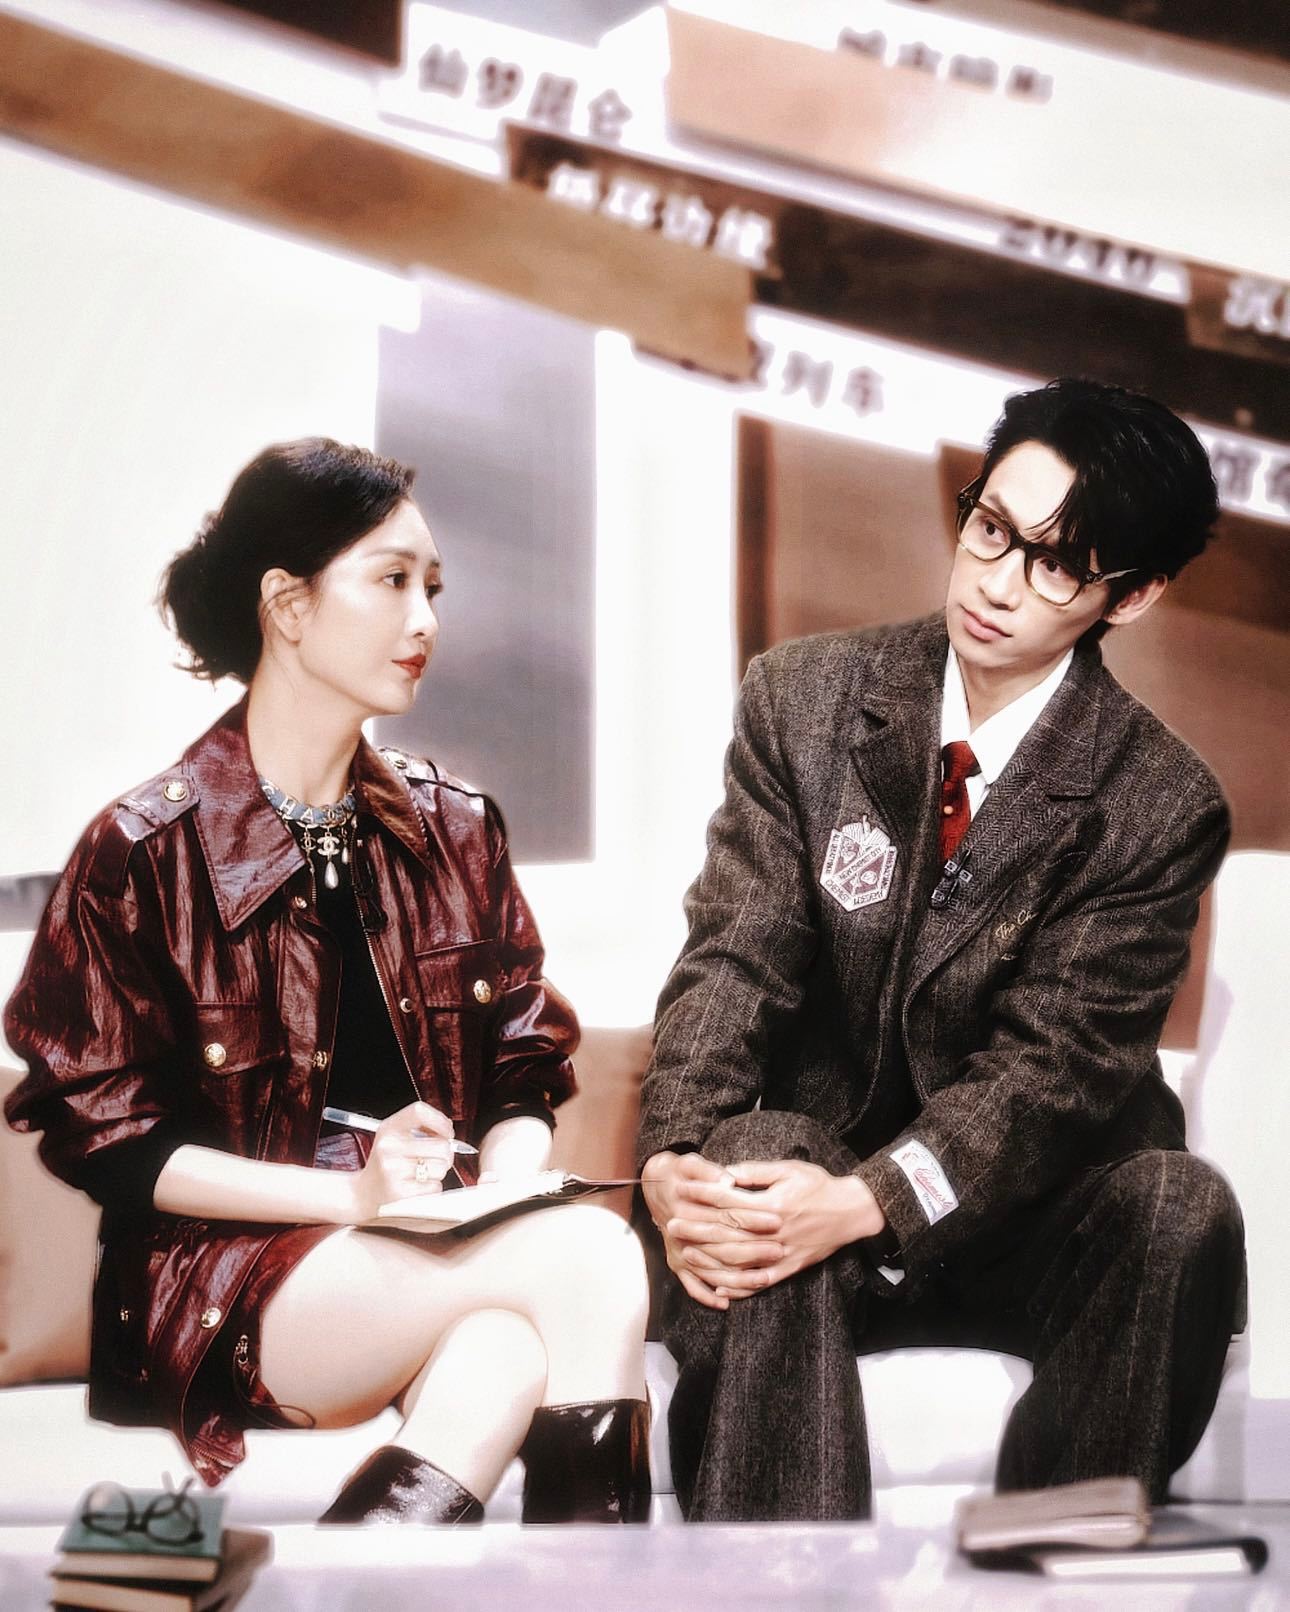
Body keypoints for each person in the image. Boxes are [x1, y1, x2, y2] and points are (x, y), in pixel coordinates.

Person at [5, 439, 650, 1525]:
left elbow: (521, 1071)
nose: (425, 619)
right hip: (214, 1283)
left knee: (501, 1352)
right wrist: (350, 1199)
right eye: (392, 580)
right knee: (589, 1254)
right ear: (288, 605)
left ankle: (358, 1586)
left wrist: (497, 1189)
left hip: (418, 1243)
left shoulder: (456, 829)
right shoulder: (144, 850)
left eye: (433, 587)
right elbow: (115, 1146)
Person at [637, 378, 1246, 1521]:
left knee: (1180, 1205)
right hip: (814, 1201)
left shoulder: (1161, 803)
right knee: (755, 1158)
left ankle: (1059, 1574)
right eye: (992, 529)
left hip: (1025, 1220)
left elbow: (1051, 1076)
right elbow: (734, 958)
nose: (997, 583)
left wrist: (874, 1199)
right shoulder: (803, 699)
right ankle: (788, 1592)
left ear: (1134, 596)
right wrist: (675, 1160)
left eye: (1058, 567)